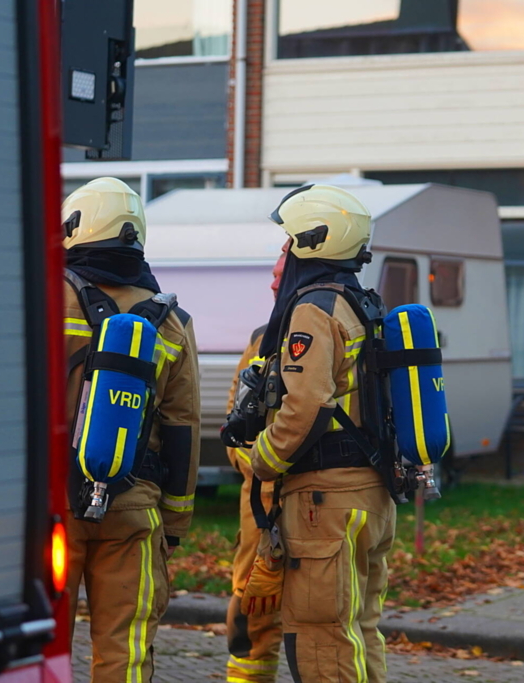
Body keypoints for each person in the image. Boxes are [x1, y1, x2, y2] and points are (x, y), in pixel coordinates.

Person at [243, 185, 396, 683]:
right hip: (369, 493)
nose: (282, 253)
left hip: (325, 505)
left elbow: (306, 403)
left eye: (286, 242)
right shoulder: (361, 303)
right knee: (359, 630)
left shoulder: (313, 308)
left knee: (322, 638)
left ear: (312, 242)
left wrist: (262, 459)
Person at [61, 178, 200, 682]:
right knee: (126, 652)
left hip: (50, 505)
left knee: (41, 641)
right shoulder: (172, 321)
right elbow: (183, 427)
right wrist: (175, 524)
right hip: (133, 507)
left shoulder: (46, 296)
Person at [224, 244, 287, 683]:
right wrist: (254, 464)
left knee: (320, 625)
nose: (273, 282)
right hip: (261, 510)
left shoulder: (330, 331)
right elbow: (234, 416)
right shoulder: (261, 340)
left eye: (281, 274)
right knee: (251, 614)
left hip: (321, 505)